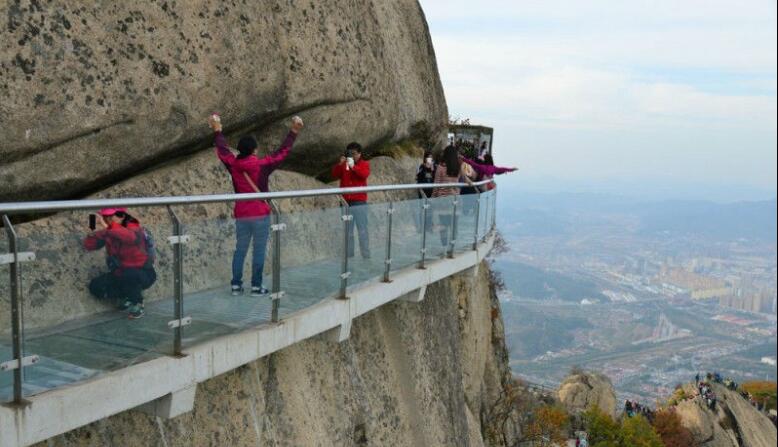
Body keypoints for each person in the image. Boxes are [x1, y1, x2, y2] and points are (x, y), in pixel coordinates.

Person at [209, 114, 304, 296]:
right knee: (259, 250)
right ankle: (256, 286)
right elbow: (282, 153)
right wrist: (293, 132)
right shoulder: (262, 165)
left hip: (242, 214)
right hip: (260, 214)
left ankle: (236, 286)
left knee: (240, 249)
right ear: (254, 150)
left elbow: (222, 150)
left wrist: (217, 129)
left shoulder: (233, 164)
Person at [84, 208, 157, 319]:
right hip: (120, 273)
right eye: (104, 217)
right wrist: (92, 233)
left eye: (110, 217)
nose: (107, 220)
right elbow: (90, 246)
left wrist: (107, 228)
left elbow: (129, 237)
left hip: (143, 274)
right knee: (96, 286)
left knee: (129, 274)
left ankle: (137, 302)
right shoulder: (109, 231)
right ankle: (128, 295)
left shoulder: (134, 228)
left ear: (122, 216)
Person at [332, 142, 371, 259]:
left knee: (362, 230)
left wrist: (353, 166)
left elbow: (364, 174)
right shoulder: (344, 164)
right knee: (348, 232)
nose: (352, 156)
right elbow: (334, 174)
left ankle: (366, 256)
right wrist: (340, 164)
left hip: (359, 202)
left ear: (359, 154)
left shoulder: (364, 164)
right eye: (350, 153)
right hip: (345, 202)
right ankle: (350, 257)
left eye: (354, 154)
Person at [432, 145, 471, 248]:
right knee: (454, 226)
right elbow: (466, 179)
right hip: (455, 201)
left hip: (443, 201)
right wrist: (471, 183)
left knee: (443, 225)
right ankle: (452, 247)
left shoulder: (440, 167)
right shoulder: (458, 167)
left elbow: (436, 185)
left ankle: (444, 246)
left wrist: (432, 198)